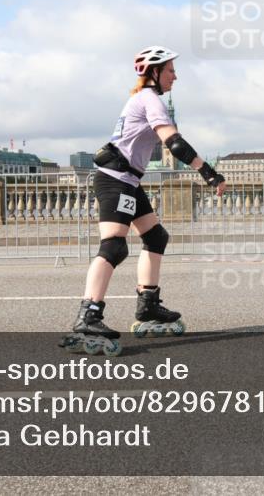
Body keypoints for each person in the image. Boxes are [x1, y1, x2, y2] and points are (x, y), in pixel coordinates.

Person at [60, 46, 226, 355]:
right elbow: (174, 143)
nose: (175, 75)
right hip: (115, 181)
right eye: (170, 70)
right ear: (154, 73)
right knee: (114, 246)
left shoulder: (144, 99)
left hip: (128, 180)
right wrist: (209, 172)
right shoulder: (150, 100)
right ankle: (88, 315)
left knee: (155, 236)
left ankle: (148, 304)